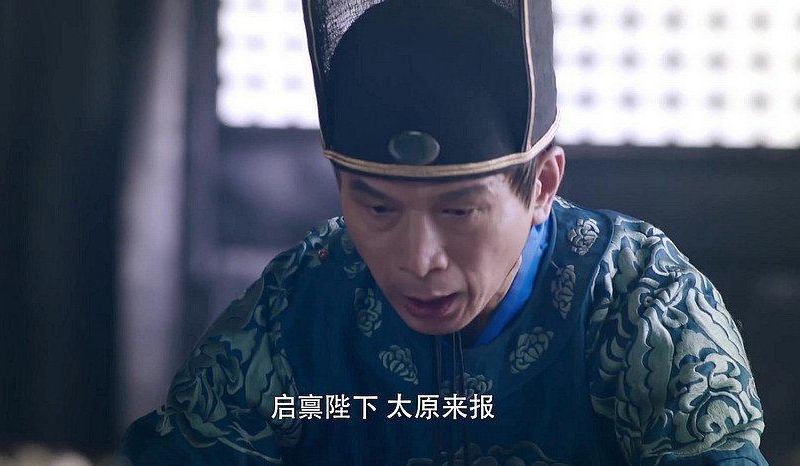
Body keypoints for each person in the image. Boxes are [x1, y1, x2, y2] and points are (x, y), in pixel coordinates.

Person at [120, 0, 769, 464]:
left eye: (458, 212)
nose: (418, 259)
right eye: (378, 210)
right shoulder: (298, 305)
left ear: (542, 186)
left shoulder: (644, 305)